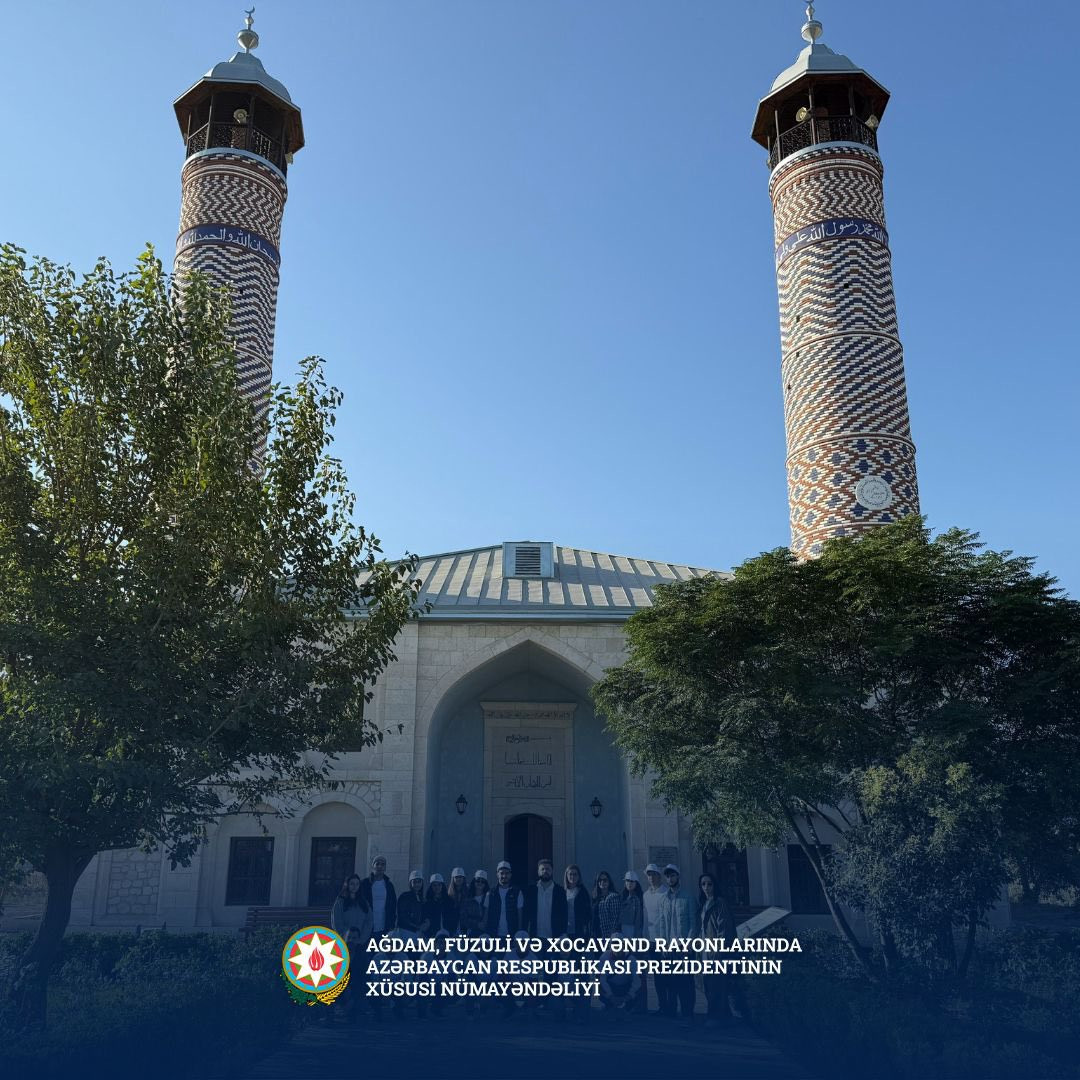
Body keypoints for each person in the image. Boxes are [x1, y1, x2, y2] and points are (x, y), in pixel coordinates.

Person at [697, 873, 749, 1027]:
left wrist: (718, 951)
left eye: (709, 884)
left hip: (716, 951)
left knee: (716, 985)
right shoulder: (704, 903)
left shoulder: (719, 903)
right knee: (709, 984)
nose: (706, 887)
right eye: (703, 884)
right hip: (705, 949)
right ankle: (725, 1016)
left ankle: (715, 1017)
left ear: (714, 885)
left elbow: (724, 930)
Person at [654, 864, 697, 1025]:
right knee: (671, 982)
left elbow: (694, 923)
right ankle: (671, 1012)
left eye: (673, 875)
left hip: (684, 947)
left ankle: (687, 1013)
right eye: (668, 876)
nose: (670, 879)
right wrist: (663, 945)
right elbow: (662, 924)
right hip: (669, 948)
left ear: (678, 876)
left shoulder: (688, 897)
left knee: (686, 982)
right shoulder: (664, 899)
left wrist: (689, 944)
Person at [329, 873, 372, 1023]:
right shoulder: (340, 902)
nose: (354, 887)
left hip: (359, 945)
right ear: (347, 885)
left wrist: (361, 939)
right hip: (344, 945)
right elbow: (336, 922)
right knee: (343, 978)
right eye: (352, 884)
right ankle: (339, 1007)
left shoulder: (363, 903)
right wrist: (346, 937)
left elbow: (369, 922)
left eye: (357, 884)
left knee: (359, 978)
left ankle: (355, 1009)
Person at [563, 865, 593, 1024]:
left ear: (579, 876)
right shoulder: (562, 892)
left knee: (582, 974)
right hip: (566, 937)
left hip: (580, 937)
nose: (572, 877)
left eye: (575, 874)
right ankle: (571, 1006)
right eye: (570, 874)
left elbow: (588, 915)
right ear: (566, 876)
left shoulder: (583, 892)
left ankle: (584, 1009)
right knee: (568, 973)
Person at [642, 863, 668, 1015]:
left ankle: (669, 1007)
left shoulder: (665, 893)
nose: (651, 877)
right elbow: (645, 919)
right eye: (649, 875)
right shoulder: (646, 895)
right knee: (657, 975)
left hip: (664, 940)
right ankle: (662, 1005)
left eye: (653, 874)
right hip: (651, 941)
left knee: (667, 975)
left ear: (659, 876)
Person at [598, 934, 642, 1016]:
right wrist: (611, 996)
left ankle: (628, 1007)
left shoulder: (631, 959)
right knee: (598, 984)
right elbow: (602, 980)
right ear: (610, 946)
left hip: (626, 988)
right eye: (614, 944)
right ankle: (610, 1005)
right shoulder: (604, 958)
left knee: (640, 984)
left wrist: (628, 996)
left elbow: (637, 981)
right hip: (612, 987)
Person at [525, 857, 567, 939]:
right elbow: (526, 913)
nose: (545, 871)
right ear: (538, 872)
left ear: (552, 871)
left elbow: (564, 914)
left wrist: (563, 933)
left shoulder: (560, 891)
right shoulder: (531, 890)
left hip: (555, 937)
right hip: (534, 937)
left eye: (548, 869)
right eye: (542, 869)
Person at [359, 854, 397, 936]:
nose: (380, 866)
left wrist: (392, 924)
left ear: (385, 868)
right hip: (366, 927)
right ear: (373, 866)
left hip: (384, 928)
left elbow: (393, 906)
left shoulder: (389, 885)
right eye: (377, 864)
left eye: (382, 864)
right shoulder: (364, 884)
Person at [485, 860, 525, 936]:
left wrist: (519, 933)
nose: (504, 876)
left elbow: (520, 914)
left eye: (507, 873)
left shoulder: (517, 892)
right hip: (493, 935)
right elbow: (486, 915)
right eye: (501, 873)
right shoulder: (490, 893)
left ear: (510, 874)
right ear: (497, 874)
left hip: (512, 935)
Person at [397, 870, 430, 936]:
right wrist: (416, 926)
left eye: (419, 881)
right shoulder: (405, 896)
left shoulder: (422, 899)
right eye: (414, 882)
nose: (417, 884)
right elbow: (403, 916)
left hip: (417, 932)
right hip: (406, 931)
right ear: (410, 883)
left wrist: (426, 922)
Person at [591, 870, 621, 936]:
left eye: (605, 880)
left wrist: (611, 935)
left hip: (607, 934)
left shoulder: (613, 897)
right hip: (595, 933)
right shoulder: (596, 897)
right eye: (600, 880)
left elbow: (615, 919)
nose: (602, 882)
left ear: (609, 882)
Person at [447, 867, 469, 933]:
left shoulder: (469, 893)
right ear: (453, 879)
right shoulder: (448, 895)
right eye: (456, 877)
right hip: (452, 927)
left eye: (460, 877)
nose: (459, 879)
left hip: (465, 926)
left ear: (463, 878)